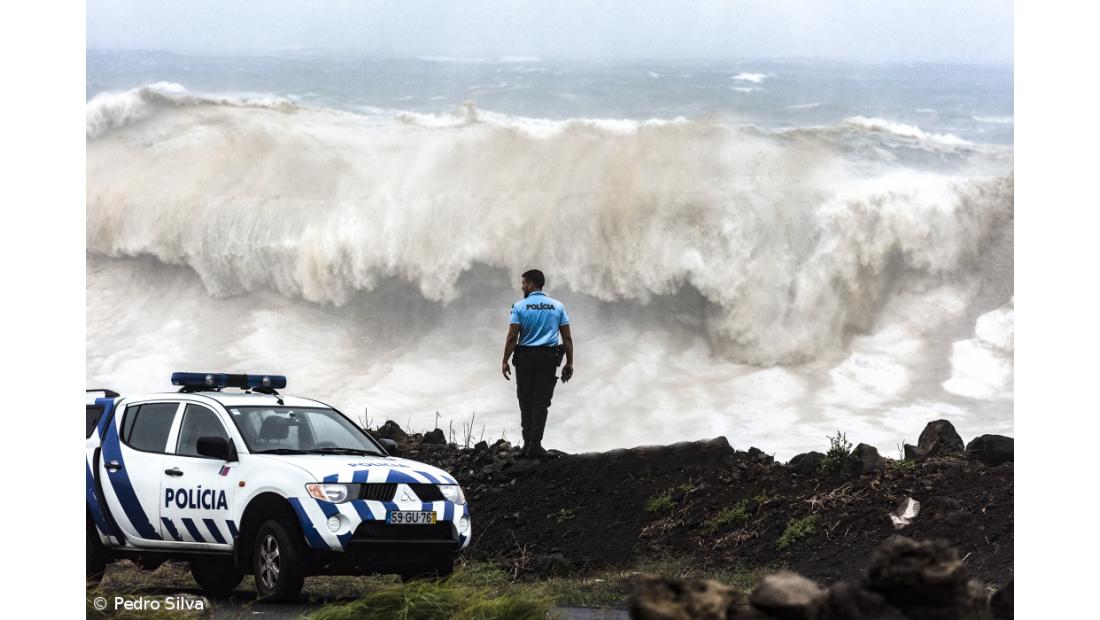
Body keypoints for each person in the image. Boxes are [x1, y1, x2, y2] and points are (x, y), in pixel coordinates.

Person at [501, 269, 573, 458]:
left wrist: (505, 360)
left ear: (532, 284)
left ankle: (527, 444)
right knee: (541, 402)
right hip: (547, 358)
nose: (522, 286)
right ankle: (535, 444)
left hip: (525, 357)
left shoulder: (519, 306)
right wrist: (569, 362)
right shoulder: (558, 307)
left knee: (525, 401)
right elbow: (566, 336)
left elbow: (512, 336)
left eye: (524, 283)